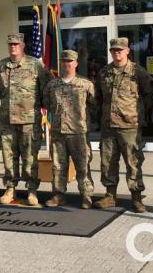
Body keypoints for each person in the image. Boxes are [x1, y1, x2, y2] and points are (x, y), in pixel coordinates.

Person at [93, 37, 153, 213]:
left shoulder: (138, 72)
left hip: (130, 126)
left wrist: (138, 113)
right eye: (113, 50)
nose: (116, 53)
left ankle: (136, 198)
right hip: (108, 126)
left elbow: (150, 93)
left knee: (133, 162)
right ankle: (110, 196)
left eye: (120, 50)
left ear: (127, 51)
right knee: (107, 162)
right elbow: (98, 97)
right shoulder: (104, 72)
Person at [0, 33, 52, 206]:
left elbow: (45, 91)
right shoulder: (1, 67)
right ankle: (10, 189)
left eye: (16, 44)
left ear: (23, 45)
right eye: (10, 44)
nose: (13, 47)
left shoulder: (35, 65)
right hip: (6, 122)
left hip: (29, 121)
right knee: (9, 158)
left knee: (29, 159)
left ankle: (32, 190)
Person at [41, 50, 96, 209]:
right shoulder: (52, 85)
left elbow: (94, 105)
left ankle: (86, 196)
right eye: (64, 61)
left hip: (78, 133)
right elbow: (46, 104)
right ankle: (58, 195)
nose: (66, 64)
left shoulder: (85, 84)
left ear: (76, 63)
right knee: (58, 166)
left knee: (83, 165)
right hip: (58, 132)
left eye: (70, 61)